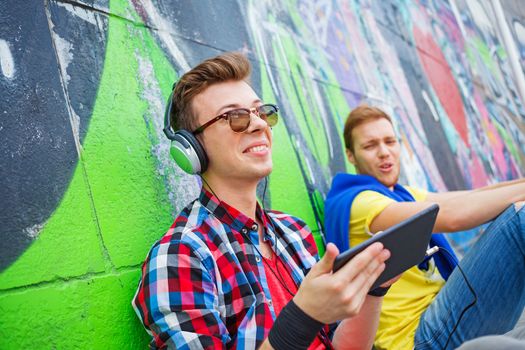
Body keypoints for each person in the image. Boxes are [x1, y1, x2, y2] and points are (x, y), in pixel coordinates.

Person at [132, 53, 395, 349]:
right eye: (235, 117)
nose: (259, 125)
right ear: (192, 148)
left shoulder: (293, 231)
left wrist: (376, 289)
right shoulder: (180, 257)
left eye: (261, 112)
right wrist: (303, 318)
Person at [324, 104, 525, 350]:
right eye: (370, 145)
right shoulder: (360, 202)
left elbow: (468, 197)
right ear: (351, 156)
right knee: (520, 220)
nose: (384, 152)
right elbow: (452, 215)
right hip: (419, 339)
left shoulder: (401, 193)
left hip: (443, 316)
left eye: (390, 141)